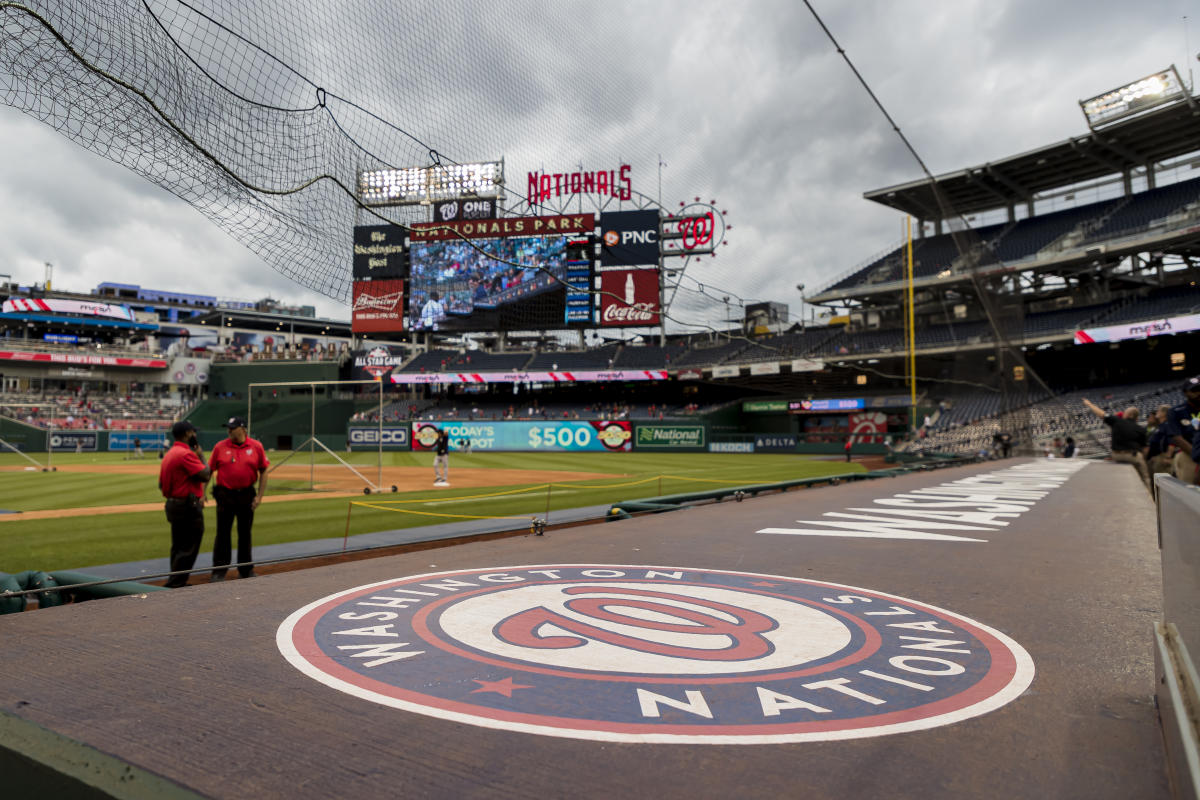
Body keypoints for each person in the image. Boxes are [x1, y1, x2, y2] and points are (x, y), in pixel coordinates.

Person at [207, 416, 269, 581]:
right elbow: (209, 471)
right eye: (228, 427)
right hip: (225, 495)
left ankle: (246, 570)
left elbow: (264, 471)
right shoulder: (219, 447)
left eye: (232, 428)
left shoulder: (256, 446)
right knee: (222, 534)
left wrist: (260, 497)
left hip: (246, 495)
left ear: (242, 429)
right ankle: (219, 571)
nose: (229, 431)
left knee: (245, 534)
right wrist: (201, 493)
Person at [158, 420, 211, 588]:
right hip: (187, 506)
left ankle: (175, 580)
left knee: (178, 545)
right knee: (188, 546)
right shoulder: (185, 453)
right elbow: (206, 474)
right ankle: (176, 584)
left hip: (173, 504)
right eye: (193, 432)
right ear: (188, 434)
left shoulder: (170, 453)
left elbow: (161, 485)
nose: (195, 435)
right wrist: (201, 455)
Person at [1083, 398, 1149, 490]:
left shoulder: (1117, 421)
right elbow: (1145, 449)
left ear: (1129, 415)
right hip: (1132, 456)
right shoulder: (1141, 429)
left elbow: (1101, 414)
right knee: (1144, 478)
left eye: (1125, 412)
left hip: (1117, 456)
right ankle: (1149, 498)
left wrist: (1089, 404)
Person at [1163, 376, 1200, 486]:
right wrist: (1196, 454)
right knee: (1191, 490)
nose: (1198, 393)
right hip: (1188, 454)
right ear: (1185, 393)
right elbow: (1176, 437)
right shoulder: (1176, 411)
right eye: (1194, 390)